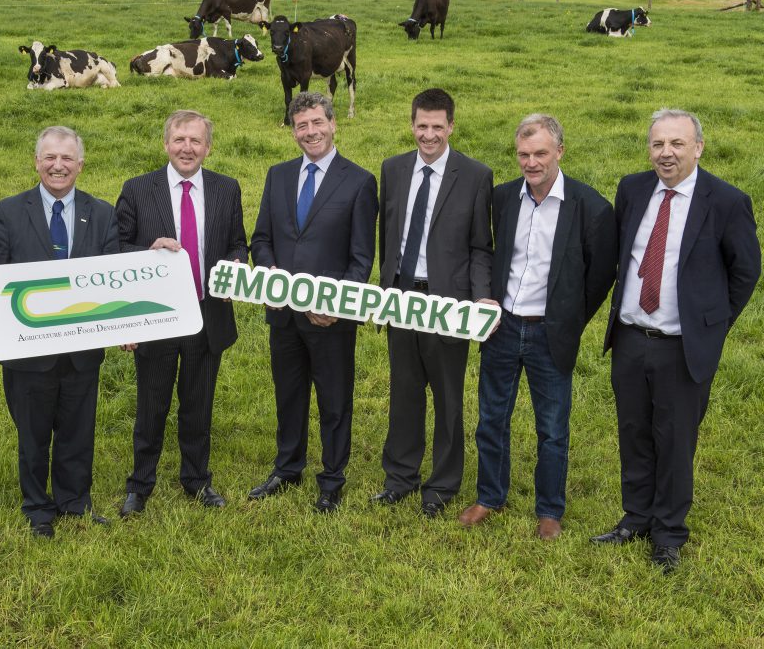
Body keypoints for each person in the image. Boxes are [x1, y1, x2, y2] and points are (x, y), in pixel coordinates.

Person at [592, 109, 760, 572]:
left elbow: (745, 270)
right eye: (658, 145)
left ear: (698, 148)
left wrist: (711, 323)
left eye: (677, 144)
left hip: (681, 345)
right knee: (634, 432)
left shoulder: (726, 201)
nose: (666, 153)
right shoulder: (632, 189)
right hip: (629, 337)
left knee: (675, 439)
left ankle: (668, 534)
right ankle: (636, 517)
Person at [457, 114, 617, 539]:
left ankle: (549, 509)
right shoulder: (504, 198)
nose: (531, 162)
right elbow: (488, 253)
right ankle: (489, 496)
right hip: (503, 327)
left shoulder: (591, 207)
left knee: (552, 428)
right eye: (524, 154)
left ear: (560, 152)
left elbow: (601, 276)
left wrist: (568, 319)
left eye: (540, 153)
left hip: (551, 332)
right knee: (492, 418)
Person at [0, 126, 119, 537]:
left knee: (77, 429)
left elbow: (116, 274)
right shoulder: (9, 210)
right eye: (50, 157)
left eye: (67, 158)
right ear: (36, 162)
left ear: (80, 165)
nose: (58, 165)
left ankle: (74, 501)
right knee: (32, 434)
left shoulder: (102, 213)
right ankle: (38, 509)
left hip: (82, 349)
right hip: (28, 350)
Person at [249, 92, 379, 512]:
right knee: (288, 393)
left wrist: (338, 303)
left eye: (317, 123)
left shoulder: (358, 181)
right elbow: (262, 239)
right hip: (283, 313)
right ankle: (287, 468)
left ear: (333, 123)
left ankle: (332, 478)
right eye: (302, 125)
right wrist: (268, 272)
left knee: (334, 398)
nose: (310, 132)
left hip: (330, 318)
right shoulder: (278, 175)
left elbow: (361, 258)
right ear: (293, 130)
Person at [115, 110, 248, 517]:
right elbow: (114, 249)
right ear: (165, 144)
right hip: (157, 316)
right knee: (151, 405)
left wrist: (237, 267)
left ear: (208, 147)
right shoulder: (138, 189)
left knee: (198, 404)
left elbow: (237, 244)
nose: (186, 148)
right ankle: (140, 484)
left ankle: (196, 480)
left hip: (208, 316)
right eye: (179, 139)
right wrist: (147, 252)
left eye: (195, 141)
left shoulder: (227, 189)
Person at [373, 88, 493, 517]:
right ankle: (400, 478)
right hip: (402, 297)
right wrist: (387, 287)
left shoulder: (476, 175)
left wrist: (480, 298)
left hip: (448, 304)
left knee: (447, 396)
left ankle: (441, 485)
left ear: (451, 127)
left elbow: (481, 246)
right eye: (421, 126)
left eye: (437, 127)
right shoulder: (393, 168)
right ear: (412, 125)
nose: (428, 135)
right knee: (404, 392)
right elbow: (387, 235)